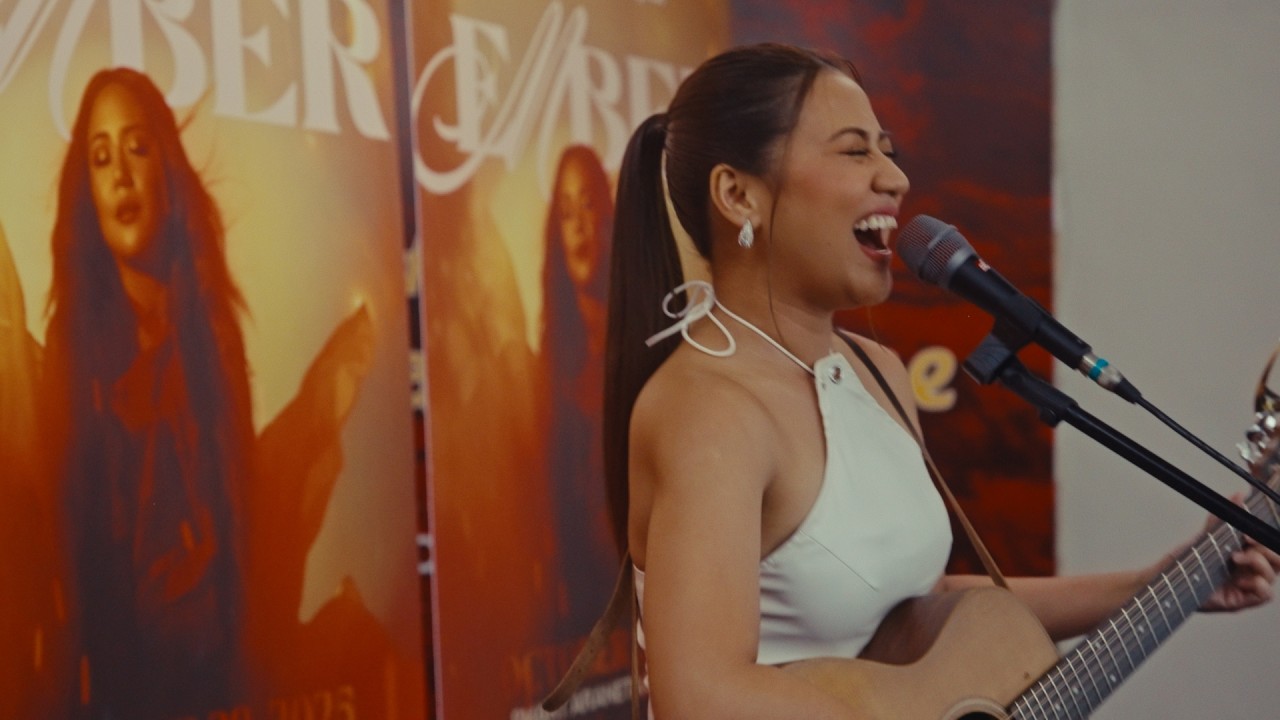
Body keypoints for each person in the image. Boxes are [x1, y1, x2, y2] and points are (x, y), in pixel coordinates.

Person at [602, 43, 1280, 718]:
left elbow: (921, 613)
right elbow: (702, 695)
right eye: (854, 151)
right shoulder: (708, 409)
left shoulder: (878, 373)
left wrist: (1162, 583)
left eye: (888, 148)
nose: (894, 178)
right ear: (738, 194)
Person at [538, 144, 619, 638]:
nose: (579, 227)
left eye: (588, 206)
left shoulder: (648, 345)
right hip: (583, 629)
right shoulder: (549, 368)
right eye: (566, 213)